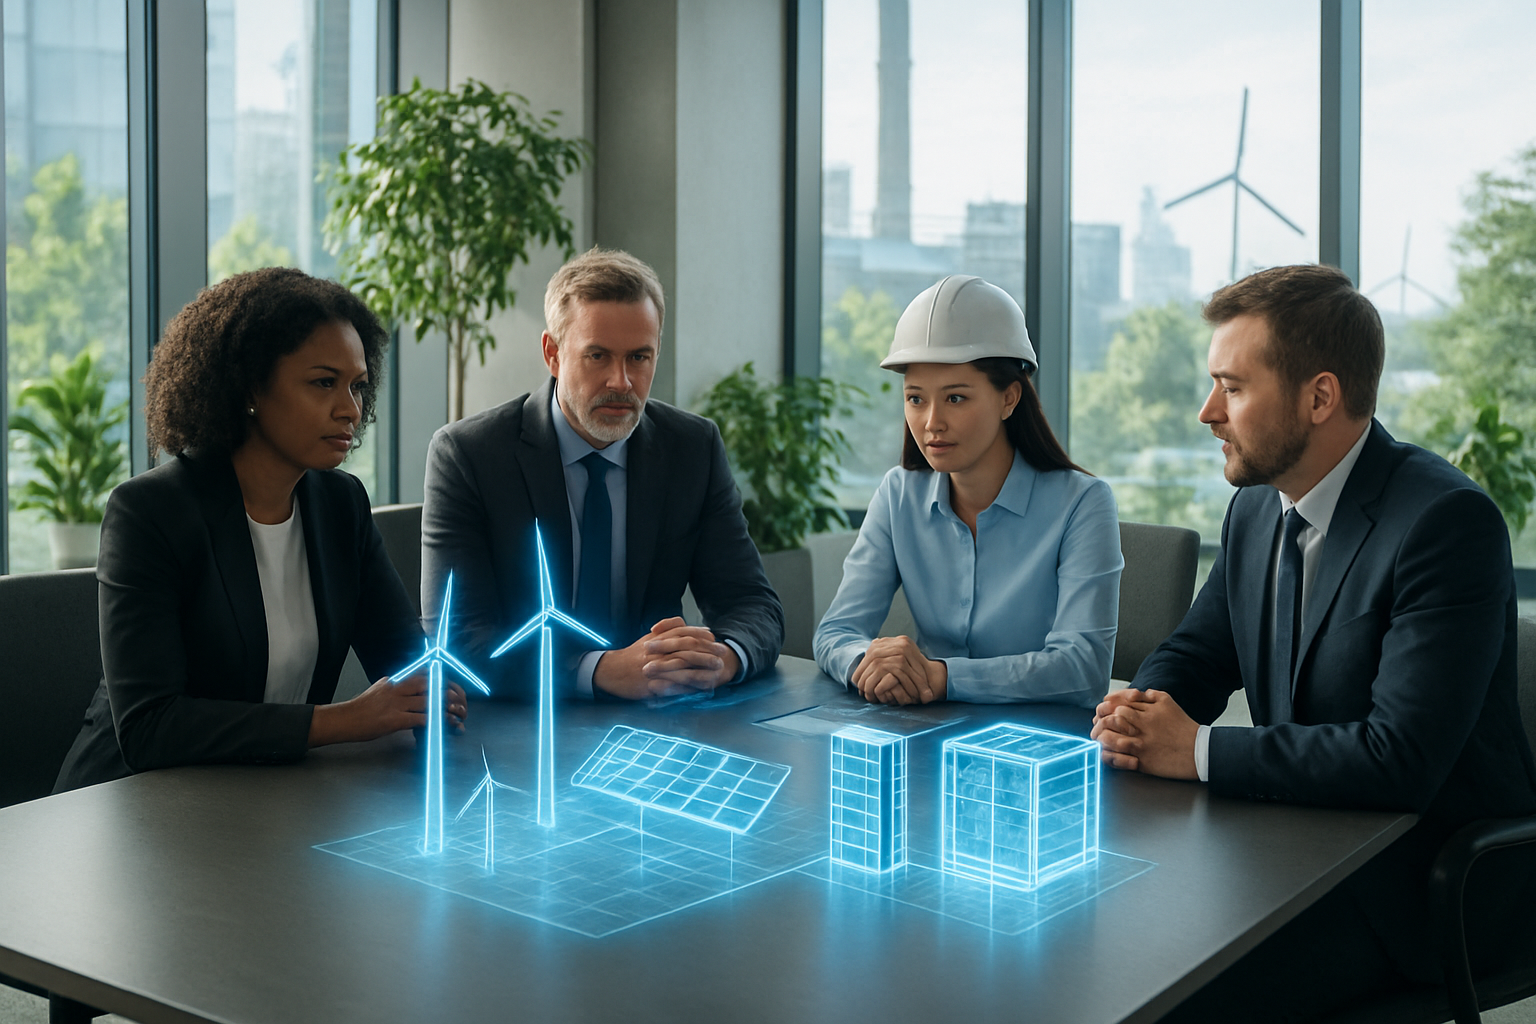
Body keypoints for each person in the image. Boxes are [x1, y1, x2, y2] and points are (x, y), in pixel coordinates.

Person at [1091, 264, 1536, 1021]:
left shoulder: (1445, 526)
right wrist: (1140, 713)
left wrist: (1195, 751)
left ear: (1319, 396)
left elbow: (1399, 760)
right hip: (1289, 848)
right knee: (1094, 941)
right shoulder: (1259, 509)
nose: (1207, 412)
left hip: (1420, 889)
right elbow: (1200, 653)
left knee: (1166, 994)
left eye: (1232, 387)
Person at [54, 268, 460, 792]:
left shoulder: (342, 505)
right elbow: (151, 728)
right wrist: (341, 721)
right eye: (323, 383)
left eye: (358, 386)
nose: (351, 410)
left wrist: (436, 695)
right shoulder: (150, 512)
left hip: (263, 796)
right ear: (250, 386)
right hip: (133, 804)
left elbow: (411, 666)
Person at [420, 247, 783, 701]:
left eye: (639, 358)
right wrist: (597, 671)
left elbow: (752, 604)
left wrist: (721, 658)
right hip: (521, 730)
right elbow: (457, 638)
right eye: (597, 356)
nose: (621, 382)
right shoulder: (469, 454)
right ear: (552, 353)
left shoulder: (692, 448)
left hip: (660, 722)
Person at [814, 275, 1122, 706]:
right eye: (916, 399)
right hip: (923, 731)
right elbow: (835, 632)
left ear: (1009, 399)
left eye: (955, 398)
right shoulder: (898, 493)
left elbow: (1082, 667)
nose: (930, 422)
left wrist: (941, 678)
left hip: (1040, 749)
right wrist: (870, 663)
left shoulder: (1083, 503)